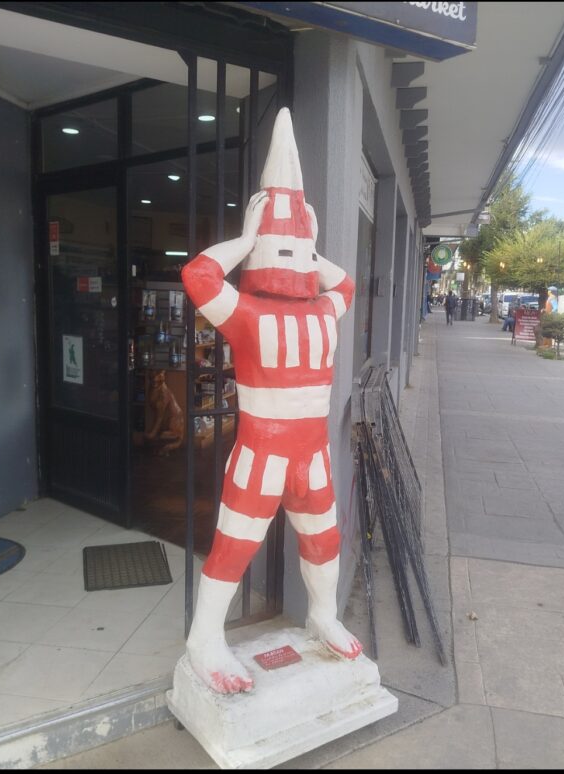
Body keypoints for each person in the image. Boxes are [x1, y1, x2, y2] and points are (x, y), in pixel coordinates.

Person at [181, 108, 361, 695]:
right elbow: (199, 277)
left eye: (298, 247)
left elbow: (346, 284)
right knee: (235, 545)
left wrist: (305, 246)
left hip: (312, 454)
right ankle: (204, 638)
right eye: (284, 247)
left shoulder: (320, 309)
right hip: (262, 453)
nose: (291, 257)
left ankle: (323, 615)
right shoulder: (248, 312)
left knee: (324, 539)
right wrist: (248, 239)